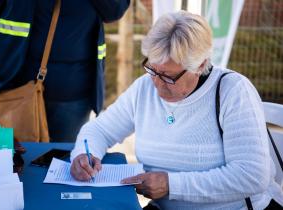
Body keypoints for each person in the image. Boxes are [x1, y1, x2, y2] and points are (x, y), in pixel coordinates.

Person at [70, 11, 283, 210]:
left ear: (201, 65)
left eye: (169, 76)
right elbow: (99, 130)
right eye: (153, 70)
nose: (158, 84)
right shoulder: (144, 88)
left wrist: (172, 185)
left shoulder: (233, 91)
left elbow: (252, 175)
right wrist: (84, 155)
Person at [0, 0, 130, 142]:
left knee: (65, 168)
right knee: (13, 166)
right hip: (15, 83)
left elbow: (114, 9)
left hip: (73, 93)